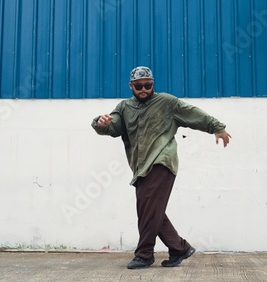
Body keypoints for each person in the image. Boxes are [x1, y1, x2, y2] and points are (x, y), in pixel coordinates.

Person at [91, 66, 231, 269]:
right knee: (150, 210)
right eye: (139, 86)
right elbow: (114, 126)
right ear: (131, 86)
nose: (144, 89)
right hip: (140, 167)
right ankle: (179, 248)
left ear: (152, 84)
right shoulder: (124, 107)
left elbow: (193, 114)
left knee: (148, 209)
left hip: (162, 161)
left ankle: (144, 254)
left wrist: (217, 127)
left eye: (148, 85)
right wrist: (101, 123)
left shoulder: (166, 102)